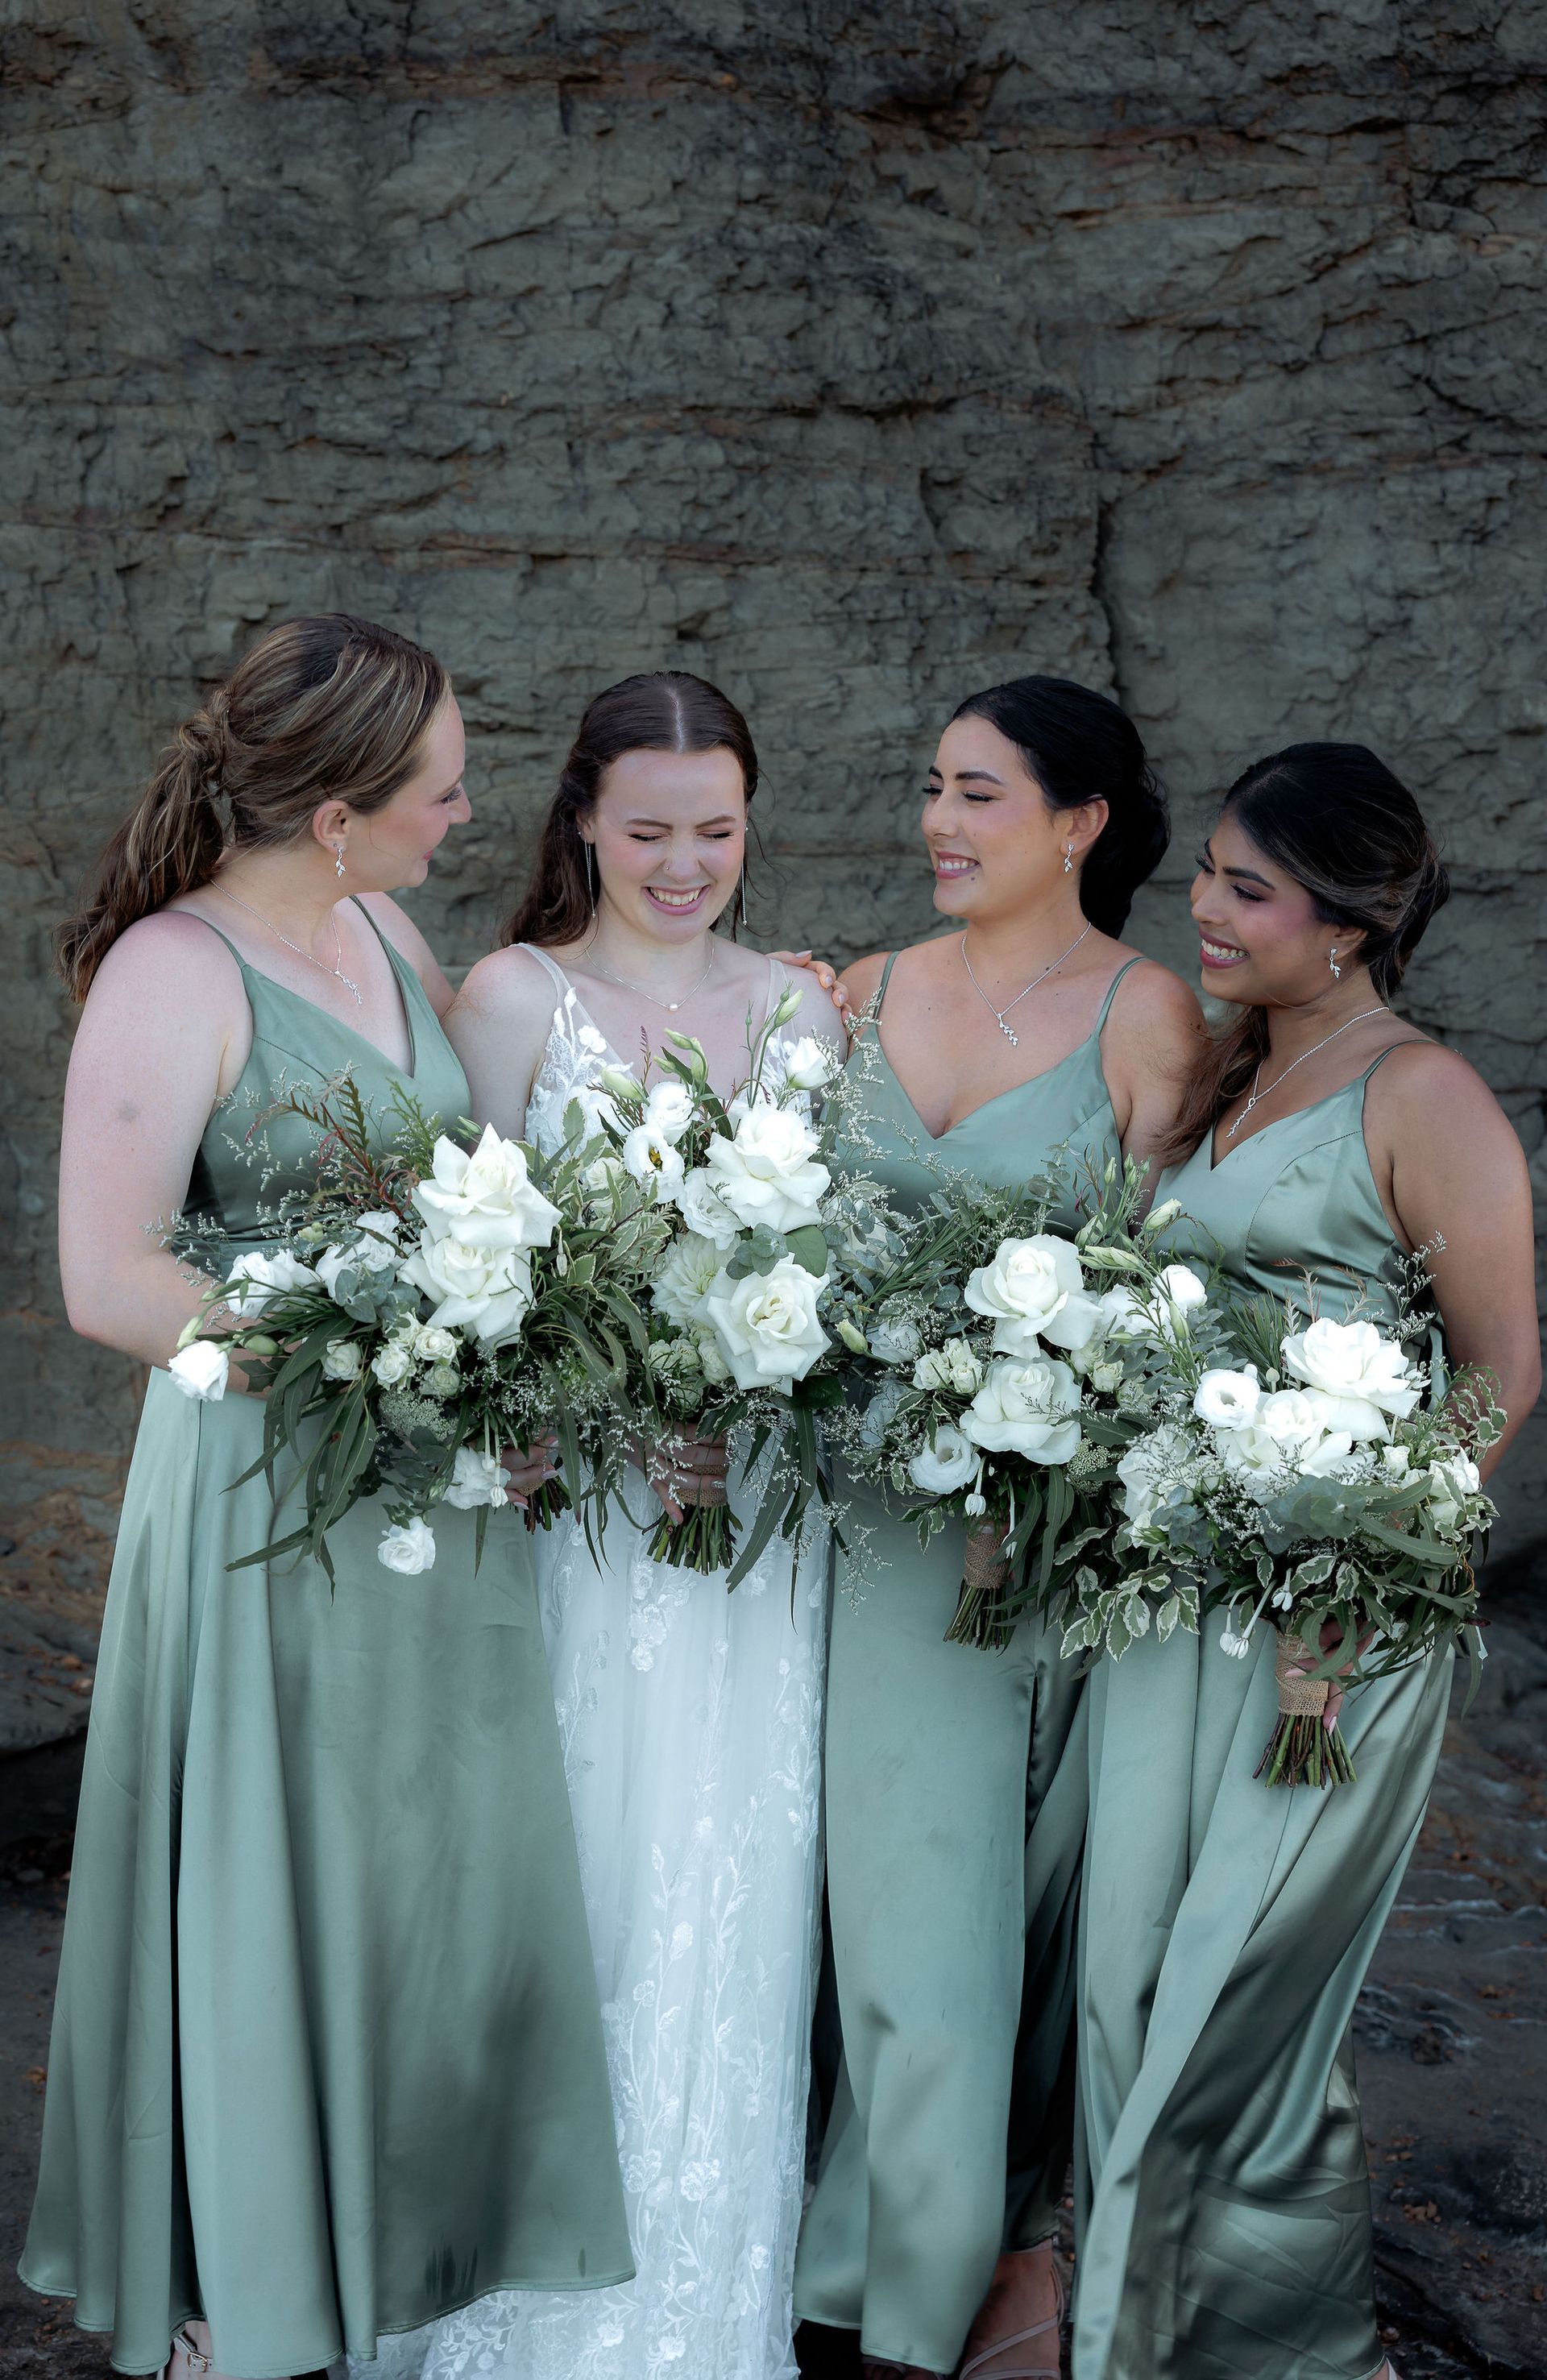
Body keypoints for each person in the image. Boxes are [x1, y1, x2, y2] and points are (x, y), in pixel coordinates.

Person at [21, 616, 630, 2380]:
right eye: (440, 792)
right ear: (342, 806)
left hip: (427, 1502)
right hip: (266, 1503)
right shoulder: (177, 969)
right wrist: (367, 1349)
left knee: (411, 1882)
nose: (465, 818)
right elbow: (110, 1278)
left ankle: (378, 2261)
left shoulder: (378, 925)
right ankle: (243, 2301)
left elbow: (468, 1165)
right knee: (275, 1880)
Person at [380, 670, 847, 2380]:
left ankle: (691, 2326)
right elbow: (470, 1278)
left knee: (727, 1905)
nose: (683, 863)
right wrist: (585, 1414)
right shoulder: (514, 998)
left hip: (743, 1545)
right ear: (579, 815)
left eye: (716, 830)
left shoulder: (804, 1016)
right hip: (574, 1534)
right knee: (572, 1890)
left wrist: (763, 1409)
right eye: (647, 829)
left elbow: (831, 1277)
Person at [1072, 744, 1539, 2380]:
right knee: (1126, 1980)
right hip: (1173, 1607)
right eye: (1202, 871)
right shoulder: (1225, 1068)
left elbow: (1499, 1369)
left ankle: (1281, 2357)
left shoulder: (1422, 1094)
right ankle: (1135, 2327)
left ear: (1351, 923)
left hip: (1322, 1635)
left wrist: (1360, 1564)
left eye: (1245, 887)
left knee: (1237, 2009)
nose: (1201, 906)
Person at [790, 677, 1202, 2380]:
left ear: (1081, 820)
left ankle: (902, 2295)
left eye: (979, 793)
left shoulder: (1146, 1014)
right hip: (823, 1524)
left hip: (998, 1555)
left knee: (941, 1914)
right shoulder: (860, 991)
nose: (940, 823)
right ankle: (789, 2252)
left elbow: (1178, 1298)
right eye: (931, 787)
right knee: (809, 1906)